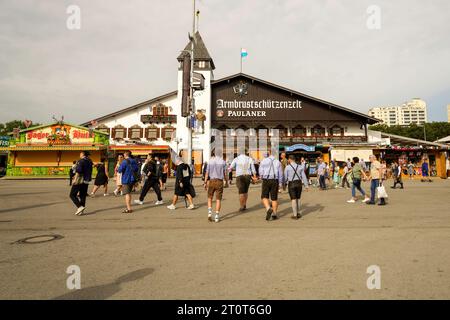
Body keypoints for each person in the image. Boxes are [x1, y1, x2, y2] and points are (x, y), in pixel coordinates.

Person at [259, 151, 284, 221]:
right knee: (274, 198)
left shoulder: (263, 161)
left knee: (264, 196)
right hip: (275, 180)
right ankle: (275, 214)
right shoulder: (278, 162)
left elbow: (261, 171)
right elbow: (280, 174)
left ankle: (268, 208)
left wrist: (261, 177)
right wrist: (280, 183)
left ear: (269, 154)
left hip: (266, 180)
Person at [203, 152, 228, 223]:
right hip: (219, 181)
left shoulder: (210, 161)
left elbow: (207, 173)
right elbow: (225, 173)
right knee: (218, 199)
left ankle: (209, 213)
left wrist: (205, 182)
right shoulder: (223, 162)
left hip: (211, 181)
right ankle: (217, 216)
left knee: (209, 197)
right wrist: (226, 181)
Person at [284, 155, 309, 220]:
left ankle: (295, 215)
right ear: (294, 159)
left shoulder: (287, 167)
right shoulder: (300, 167)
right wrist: (306, 185)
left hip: (291, 184)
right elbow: (304, 176)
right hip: (299, 184)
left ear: (290, 159)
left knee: (293, 199)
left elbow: (285, 177)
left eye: (288, 160)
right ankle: (298, 212)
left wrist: (284, 185)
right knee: (298, 198)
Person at [69, 151, 93, 216]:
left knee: (72, 195)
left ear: (82, 154)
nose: (79, 154)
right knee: (82, 195)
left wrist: (75, 179)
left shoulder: (81, 161)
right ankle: (81, 211)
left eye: (80, 153)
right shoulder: (90, 161)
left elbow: (78, 171)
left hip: (80, 180)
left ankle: (80, 207)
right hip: (87, 180)